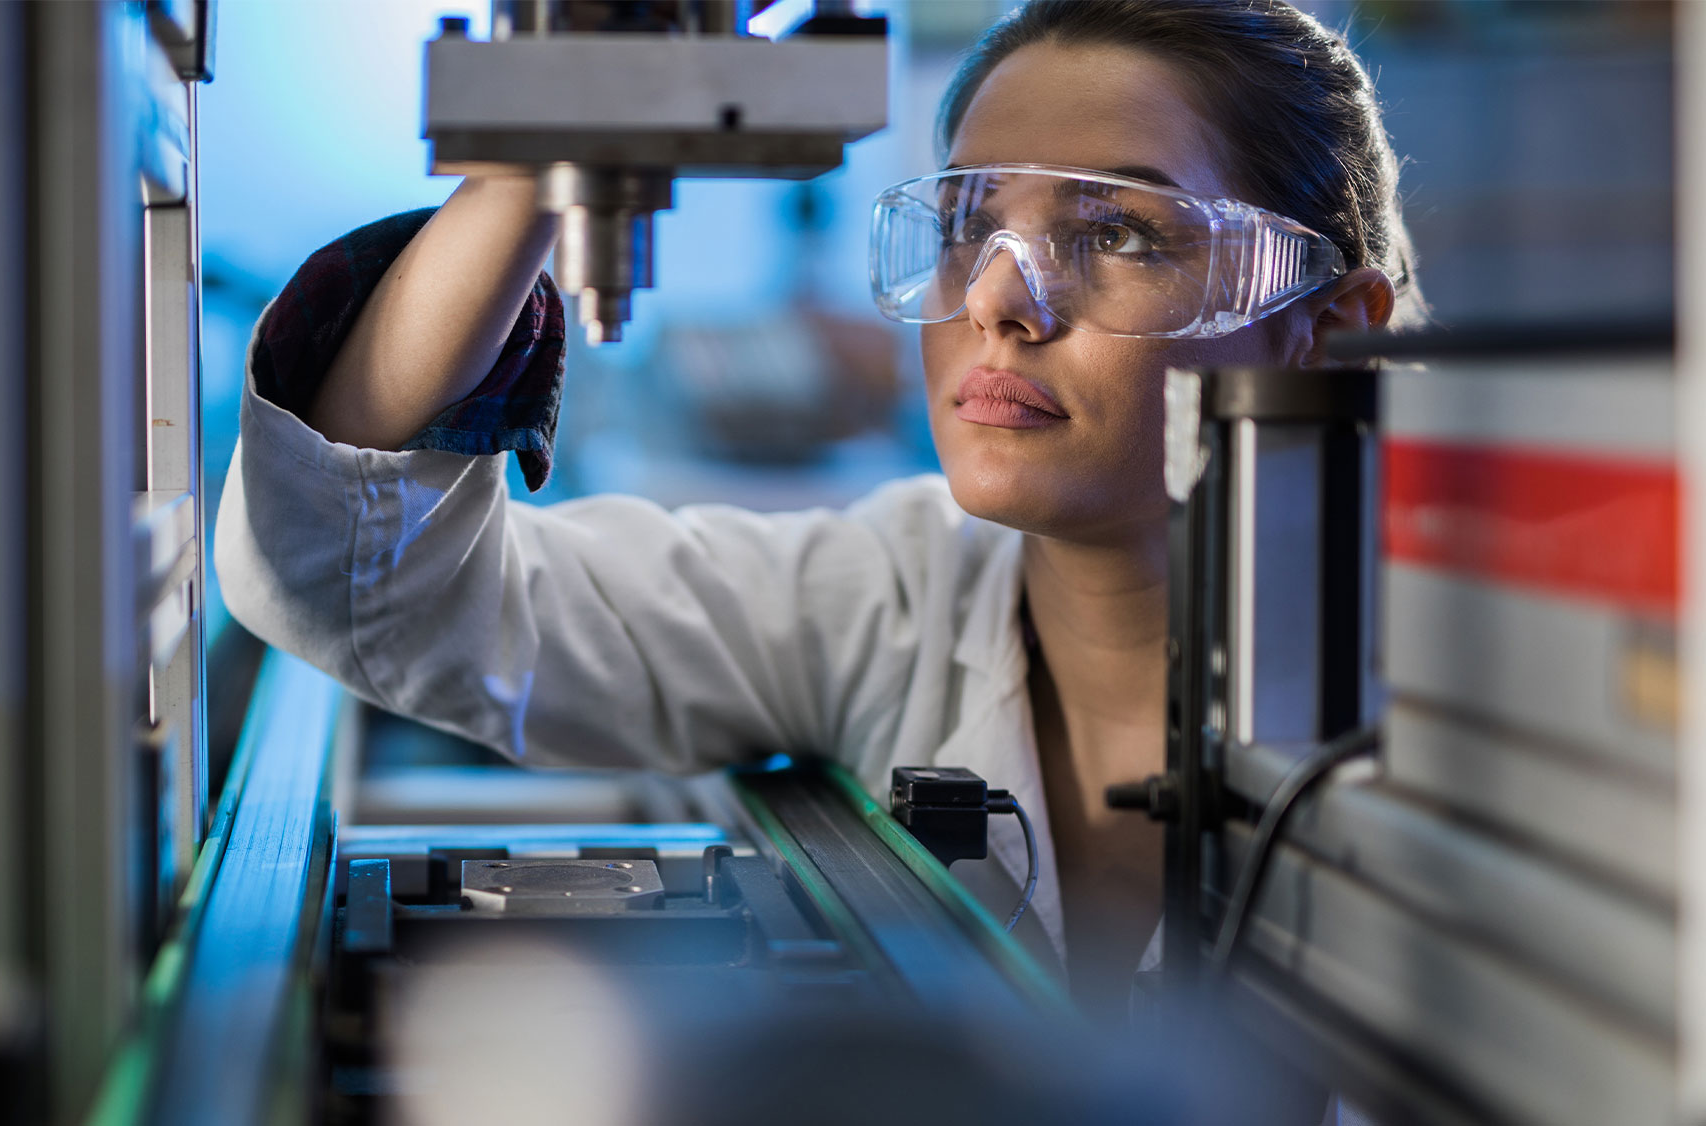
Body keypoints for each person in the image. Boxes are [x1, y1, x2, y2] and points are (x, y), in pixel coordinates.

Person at [215, 0, 1424, 1026]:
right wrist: (547, 143)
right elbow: (349, 569)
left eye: (1114, 231)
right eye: (966, 226)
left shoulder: (1486, 710)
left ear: (1326, 329)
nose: (1001, 299)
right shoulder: (886, 597)